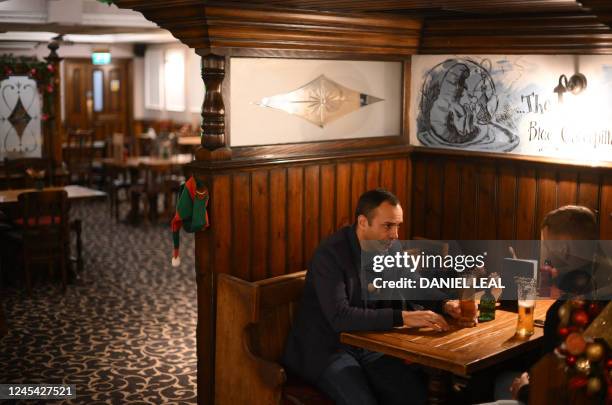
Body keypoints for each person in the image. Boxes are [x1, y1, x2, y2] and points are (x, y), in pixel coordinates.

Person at [282, 189, 463, 405]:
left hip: (370, 344)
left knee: (413, 397)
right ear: (362, 222)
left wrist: (445, 303)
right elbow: (340, 316)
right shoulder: (330, 254)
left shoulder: (391, 247)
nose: (395, 235)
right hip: (326, 348)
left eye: (398, 225)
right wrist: (403, 317)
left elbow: (411, 282)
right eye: (388, 226)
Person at [499, 205, 609, 403]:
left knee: (501, 381)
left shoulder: (569, 312)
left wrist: (524, 391)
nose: (546, 255)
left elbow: (561, 392)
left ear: (564, 249)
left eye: (547, 246)